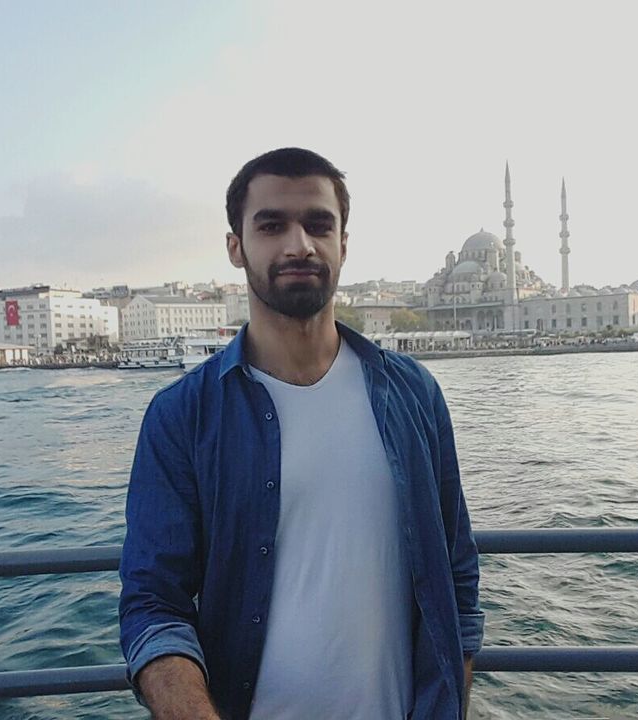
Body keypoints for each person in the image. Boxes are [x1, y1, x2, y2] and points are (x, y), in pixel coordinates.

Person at [118, 147, 483, 720]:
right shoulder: (182, 416)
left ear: (343, 242)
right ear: (236, 247)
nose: (299, 245)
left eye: (318, 224)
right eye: (272, 226)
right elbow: (153, 602)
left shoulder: (414, 395)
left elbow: (457, 578)